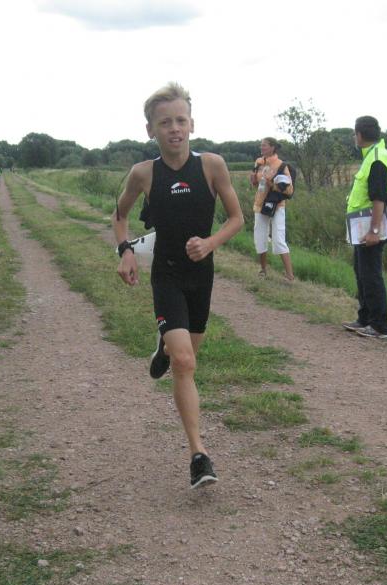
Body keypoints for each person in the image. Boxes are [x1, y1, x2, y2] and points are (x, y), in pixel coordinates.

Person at [112, 82, 244, 489]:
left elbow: (237, 218)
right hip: (166, 274)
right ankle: (198, 455)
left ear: (192, 124)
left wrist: (210, 243)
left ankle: (164, 344)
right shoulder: (143, 173)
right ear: (150, 129)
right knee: (185, 363)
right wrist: (125, 251)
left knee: (187, 355)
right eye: (165, 122)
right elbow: (120, 215)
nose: (174, 129)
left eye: (181, 121)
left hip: (201, 276)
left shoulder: (212, 166)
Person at [342, 116, 387, 339]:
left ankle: (380, 326)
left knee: (371, 275)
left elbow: (378, 199)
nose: (354, 137)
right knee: (362, 273)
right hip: (361, 227)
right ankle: (364, 319)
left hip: (371, 228)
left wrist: (374, 232)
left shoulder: (377, 159)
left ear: (359, 134)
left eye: (355, 134)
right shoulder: (372, 155)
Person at [249, 137, 295, 281]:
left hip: (277, 205)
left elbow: (289, 190)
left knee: (278, 238)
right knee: (260, 237)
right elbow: (257, 185)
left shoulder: (281, 165)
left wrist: (272, 184)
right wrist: (253, 181)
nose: (261, 147)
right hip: (260, 204)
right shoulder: (258, 162)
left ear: (272, 147)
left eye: (264, 145)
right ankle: (263, 270)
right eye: (261, 145)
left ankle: (290, 275)